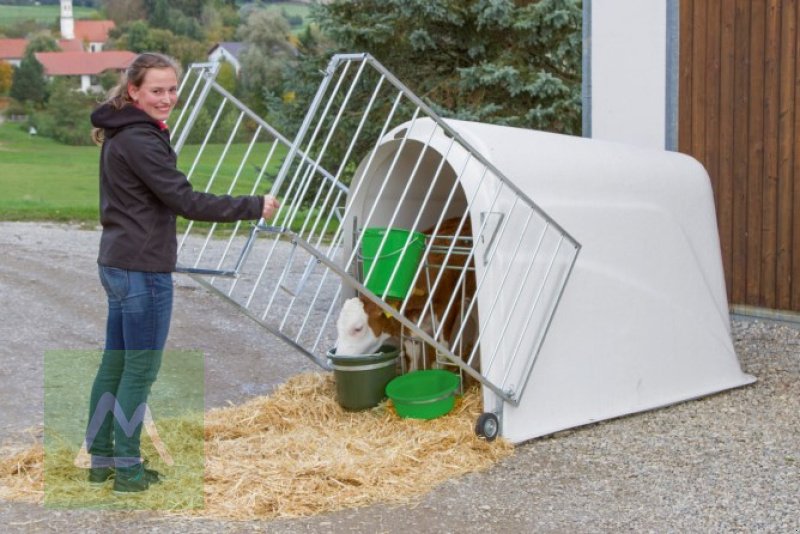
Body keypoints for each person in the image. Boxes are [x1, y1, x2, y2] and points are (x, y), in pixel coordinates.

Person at [85, 52, 280, 493]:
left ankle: (101, 460)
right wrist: (253, 205)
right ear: (133, 90)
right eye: (157, 90)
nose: (168, 98)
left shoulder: (124, 130)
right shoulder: (139, 139)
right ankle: (129, 471)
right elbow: (186, 201)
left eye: (173, 89)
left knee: (114, 366)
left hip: (117, 262)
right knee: (138, 372)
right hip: (141, 269)